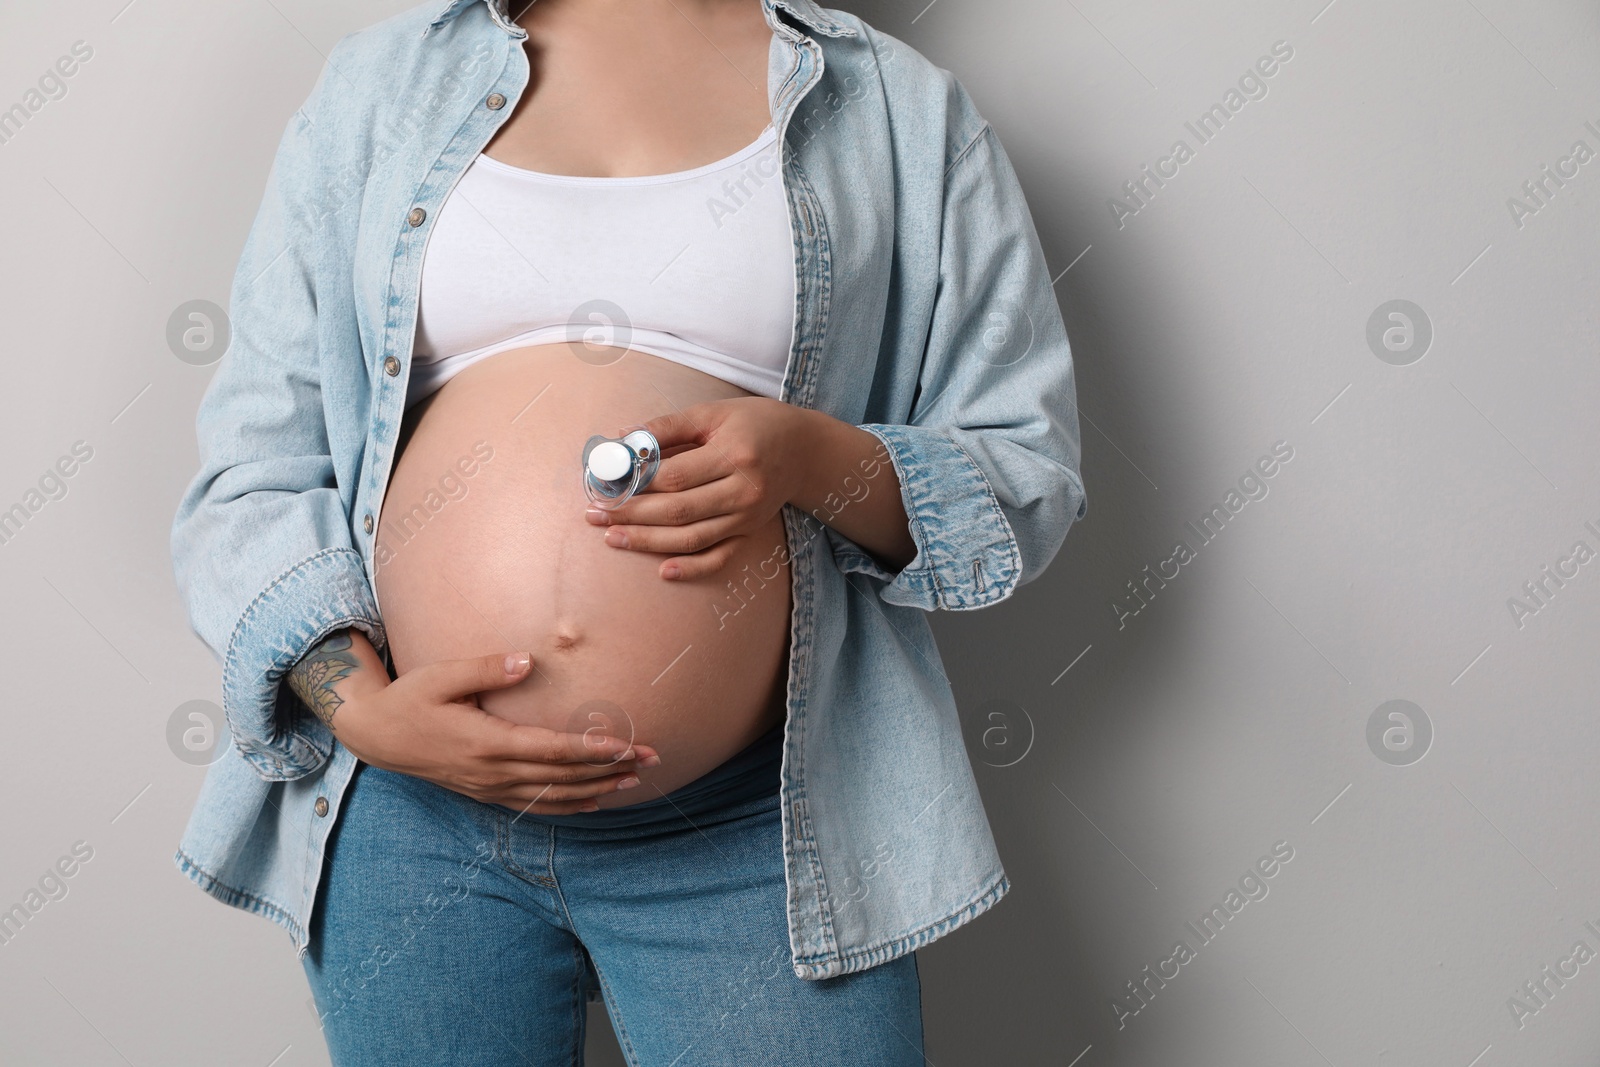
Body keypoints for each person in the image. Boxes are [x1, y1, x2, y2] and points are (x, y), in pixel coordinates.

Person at [169, 0, 1088, 1062]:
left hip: (761, 827)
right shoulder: (384, 88)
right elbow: (256, 465)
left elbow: (1024, 471)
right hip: (416, 818)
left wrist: (808, 457)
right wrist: (363, 709)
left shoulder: (895, 110)